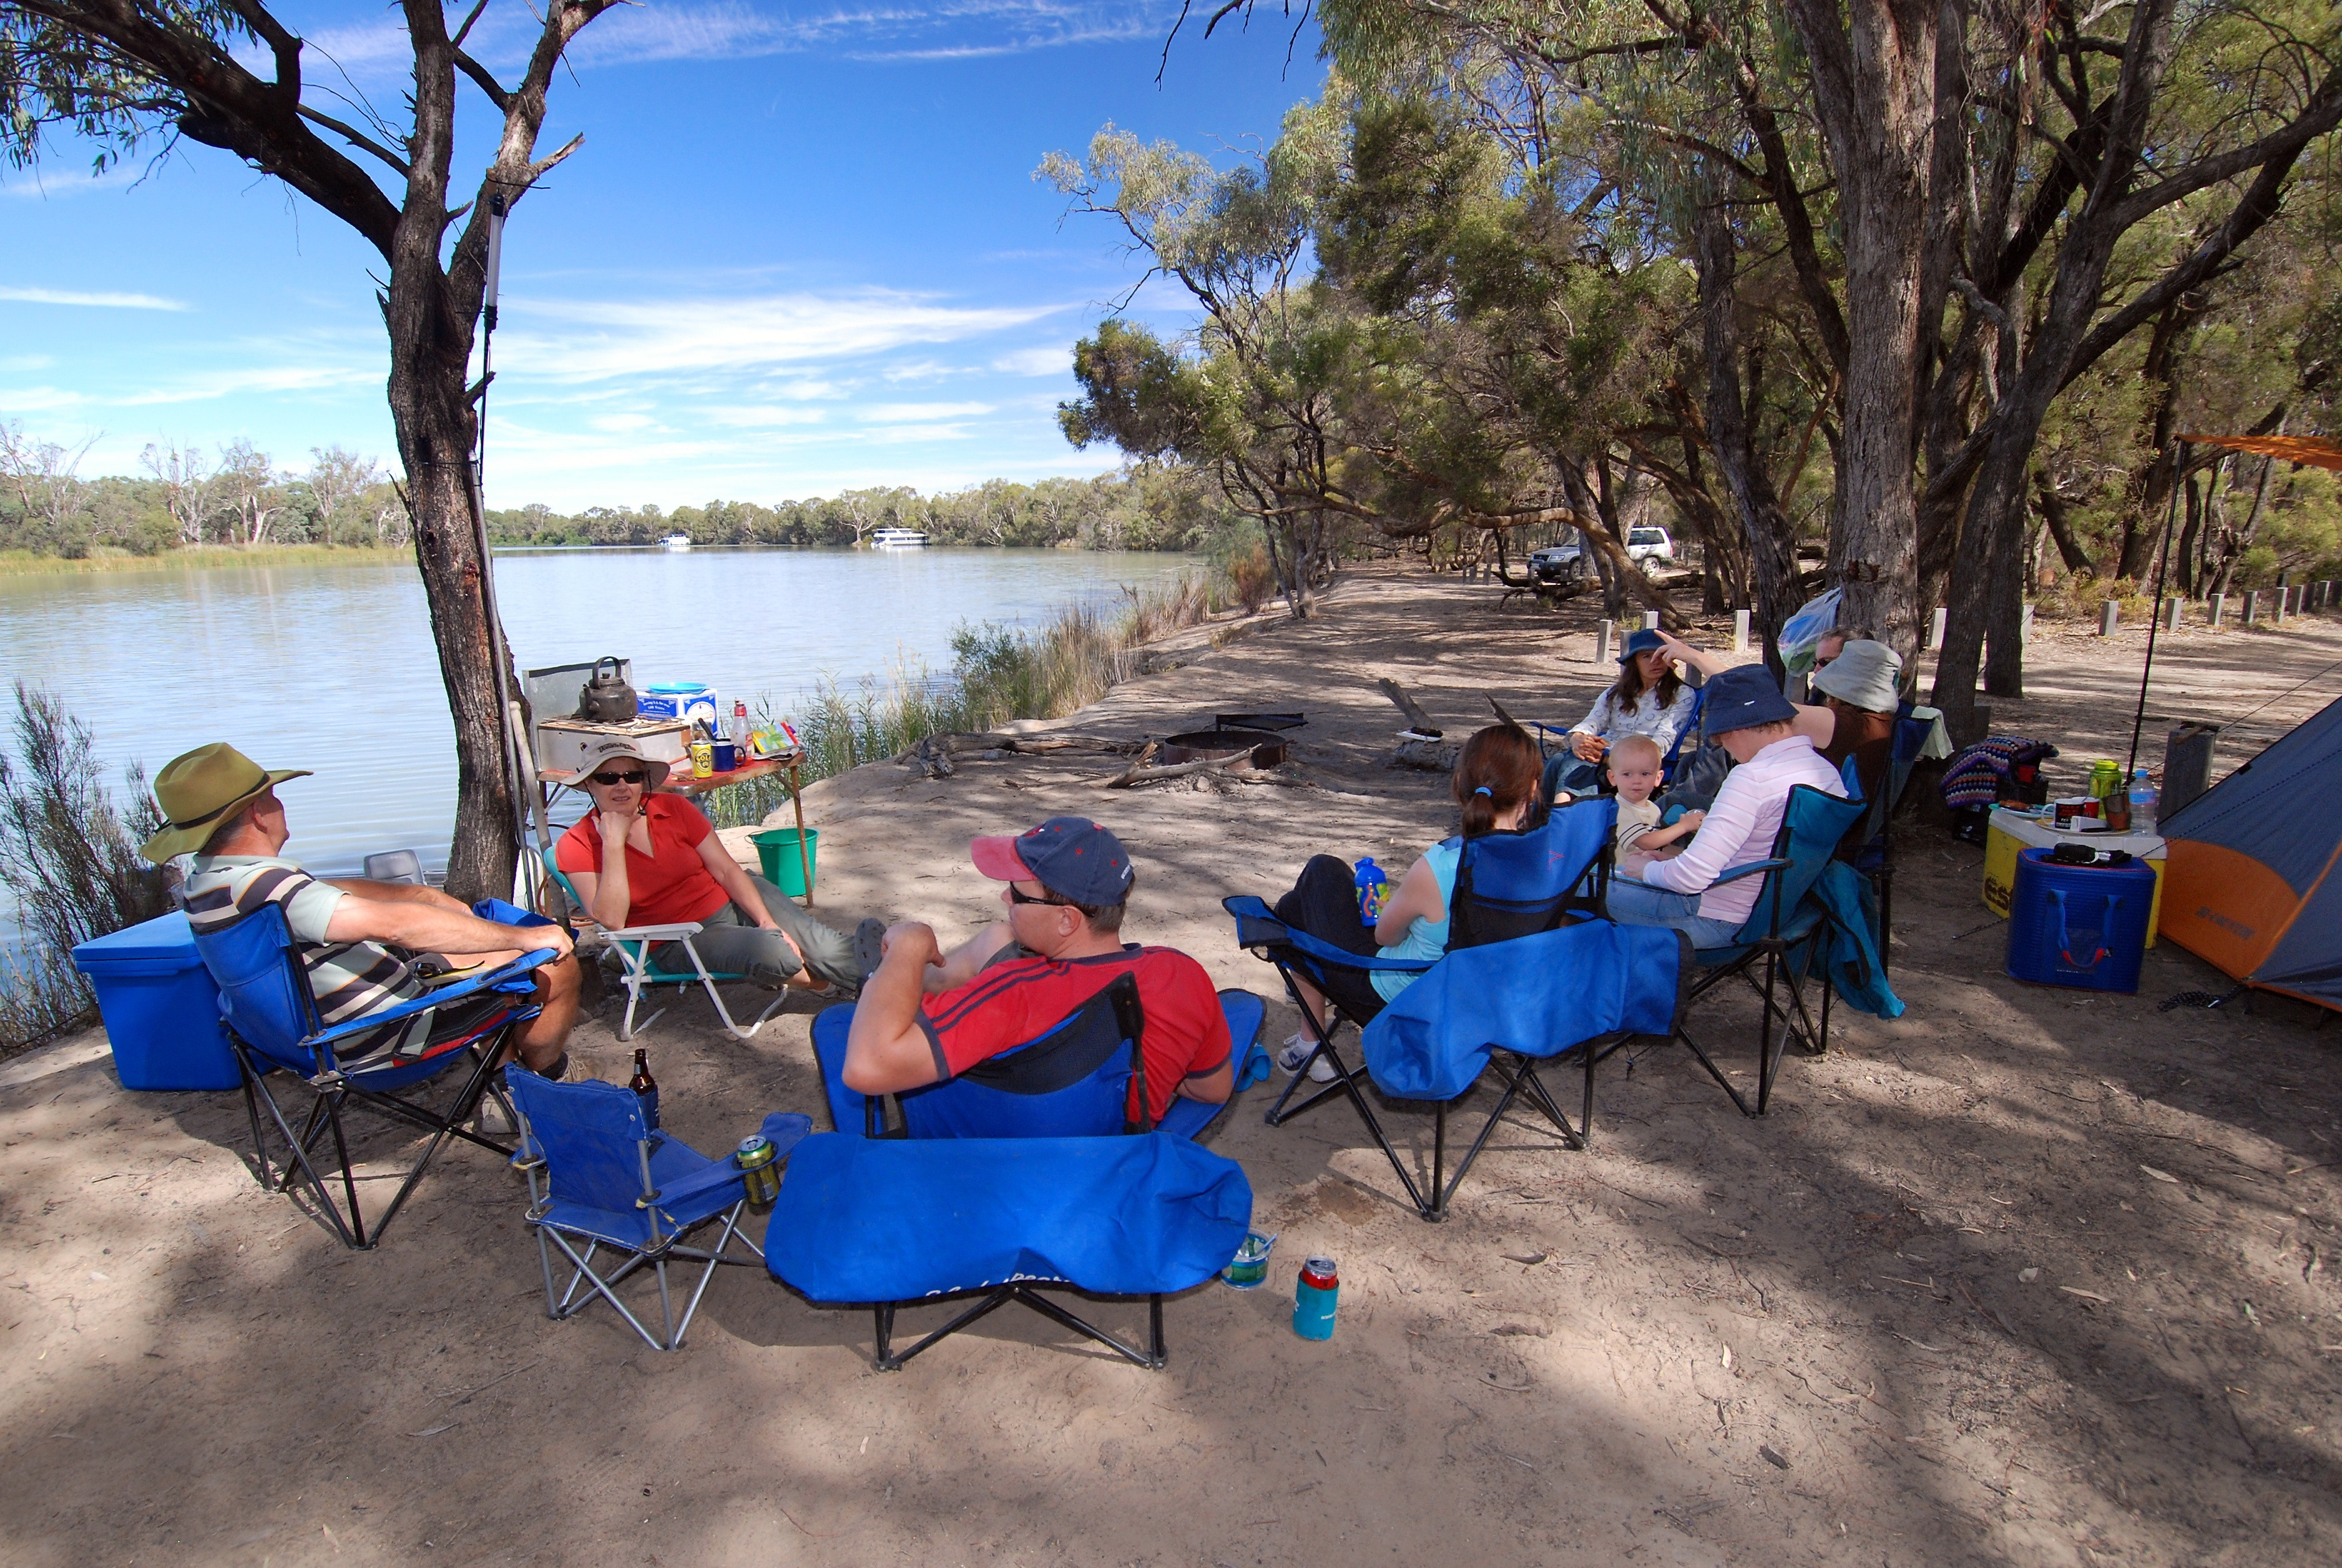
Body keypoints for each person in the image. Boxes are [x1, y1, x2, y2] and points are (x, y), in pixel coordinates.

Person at [147, 743, 579, 1075]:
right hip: (381, 1041)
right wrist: (527, 936)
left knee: (460, 952)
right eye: (274, 797)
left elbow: (323, 895)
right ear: (260, 813)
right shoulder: (271, 886)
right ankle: (546, 1081)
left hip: (288, 1042)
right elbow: (396, 928)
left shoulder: (208, 885)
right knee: (554, 966)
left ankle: (500, 1078)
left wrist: (420, 897)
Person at [843, 817, 1233, 1127]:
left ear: (1066, 921)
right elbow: (1214, 1088)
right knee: (1001, 936)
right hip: (1111, 1153)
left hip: (999, 1148)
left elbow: (867, 1067)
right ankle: (915, 984)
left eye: (1017, 894)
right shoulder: (1183, 974)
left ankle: (892, 985)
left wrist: (909, 948)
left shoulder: (1013, 993)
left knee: (984, 948)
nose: (1003, 896)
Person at [1265, 723, 1542, 1081]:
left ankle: (1312, 1041)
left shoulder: (1441, 865)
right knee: (1300, 909)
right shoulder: (1548, 863)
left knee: (1319, 877)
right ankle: (1309, 1039)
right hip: (1493, 1002)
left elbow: (1384, 937)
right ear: (1533, 789)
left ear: (1459, 784)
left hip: (1404, 998)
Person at [552, 741, 860, 995]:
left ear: (642, 779)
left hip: (729, 898)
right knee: (777, 954)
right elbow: (613, 920)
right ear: (589, 784)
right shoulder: (577, 844)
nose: (622, 785)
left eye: (632, 775)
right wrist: (613, 844)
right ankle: (826, 984)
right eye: (608, 778)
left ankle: (891, 973)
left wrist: (767, 922)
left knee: (824, 947)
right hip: (681, 938)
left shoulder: (672, 808)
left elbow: (726, 870)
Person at [1607, 666, 1846, 946]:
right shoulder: (1826, 772)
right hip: (1773, 914)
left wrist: (1643, 870)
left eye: (1721, 739)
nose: (1725, 748)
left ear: (1734, 730)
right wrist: (1672, 862)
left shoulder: (1752, 778)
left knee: (1577, 884)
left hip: (1714, 919)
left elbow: (1690, 879)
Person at [1661, 630, 1901, 808]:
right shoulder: (1871, 721)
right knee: (1692, 765)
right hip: (1810, 814)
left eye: (1827, 664)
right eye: (1815, 662)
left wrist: (1692, 656)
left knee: (1676, 802)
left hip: (1804, 821)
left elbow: (1752, 697)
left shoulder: (1853, 725)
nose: (1817, 670)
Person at [1546, 627, 1700, 801]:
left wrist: (1615, 757)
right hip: (1603, 753)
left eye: (1660, 655)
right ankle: (1559, 813)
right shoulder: (1617, 692)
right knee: (1561, 761)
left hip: (1640, 760)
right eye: (1647, 656)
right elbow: (1594, 721)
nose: (1656, 662)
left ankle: (1563, 810)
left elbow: (1664, 739)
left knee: (1568, 762)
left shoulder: (1681, 694)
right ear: (1634, 662)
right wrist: (1578, 739)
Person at [1604, 733, 1703, 858]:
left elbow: (1661, 846)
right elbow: (1647, 842)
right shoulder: (1617, 810)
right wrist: (1683, 827)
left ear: (1658, 778)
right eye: (1627, 774)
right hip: (1622, 874)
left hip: (1645, 869)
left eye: (1645, 774)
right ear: (1613, 778)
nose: (1637, 781)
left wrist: (1690, 857)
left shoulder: (1653, 809)